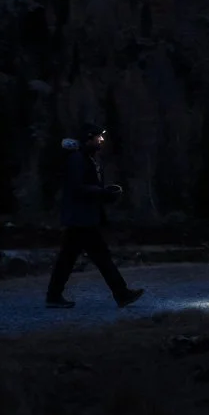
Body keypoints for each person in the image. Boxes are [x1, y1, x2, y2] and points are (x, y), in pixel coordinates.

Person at [48, 124, 145, 309]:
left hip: (82, 218)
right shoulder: (78, 159)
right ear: (88, 138)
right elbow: (77, 188)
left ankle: (53, 296)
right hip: (81, 219)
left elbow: (82, 188)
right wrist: (103, 193)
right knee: (99, 257)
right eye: (98, 137)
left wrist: (104, 194)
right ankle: (122, 294)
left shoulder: (84, 158)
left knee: (69, 259)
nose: (101, 140)